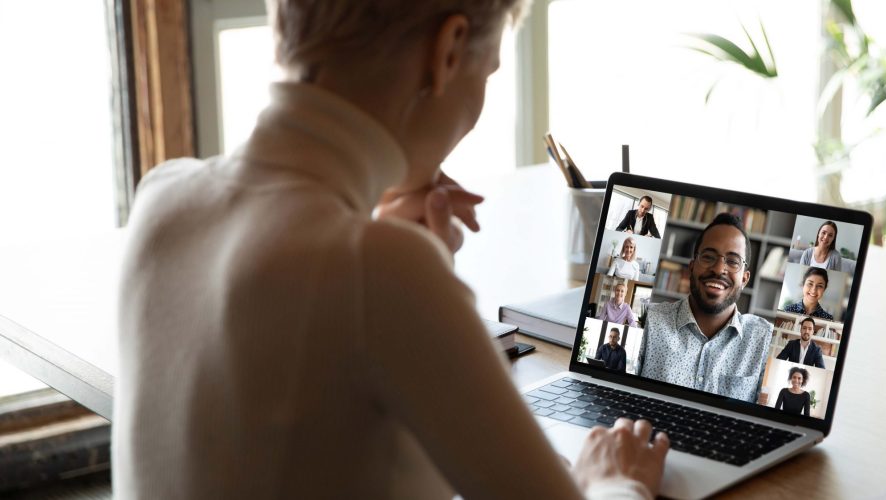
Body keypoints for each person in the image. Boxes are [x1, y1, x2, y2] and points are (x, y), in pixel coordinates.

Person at [113, 1, 669, 499]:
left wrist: (399, 248)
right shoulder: (376, 268)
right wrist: (614, 482)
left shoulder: (163, 197)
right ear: (448, 50)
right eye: (490, 69)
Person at [637, 213, 772, 401]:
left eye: (733, 261)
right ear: (691, 267)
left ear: (745, 279)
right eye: (708, 257)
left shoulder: (765, 340)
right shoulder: (649, 320)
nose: (718, 269)